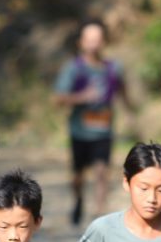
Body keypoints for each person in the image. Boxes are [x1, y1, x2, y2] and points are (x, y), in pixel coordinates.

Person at [53, 19, 132, 226]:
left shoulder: (113, 68)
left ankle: (99, 214)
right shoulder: (74, 68)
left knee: (101, 171)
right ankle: (78, 199)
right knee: (78, 175)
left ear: (104, 42)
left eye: (98, 39)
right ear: (81, 42)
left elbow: (122, 90)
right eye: (89, 39)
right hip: (79, 132)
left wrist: (130, 110)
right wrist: (82, 97)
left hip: (103, 131)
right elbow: (58, 98)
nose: (94, 44)